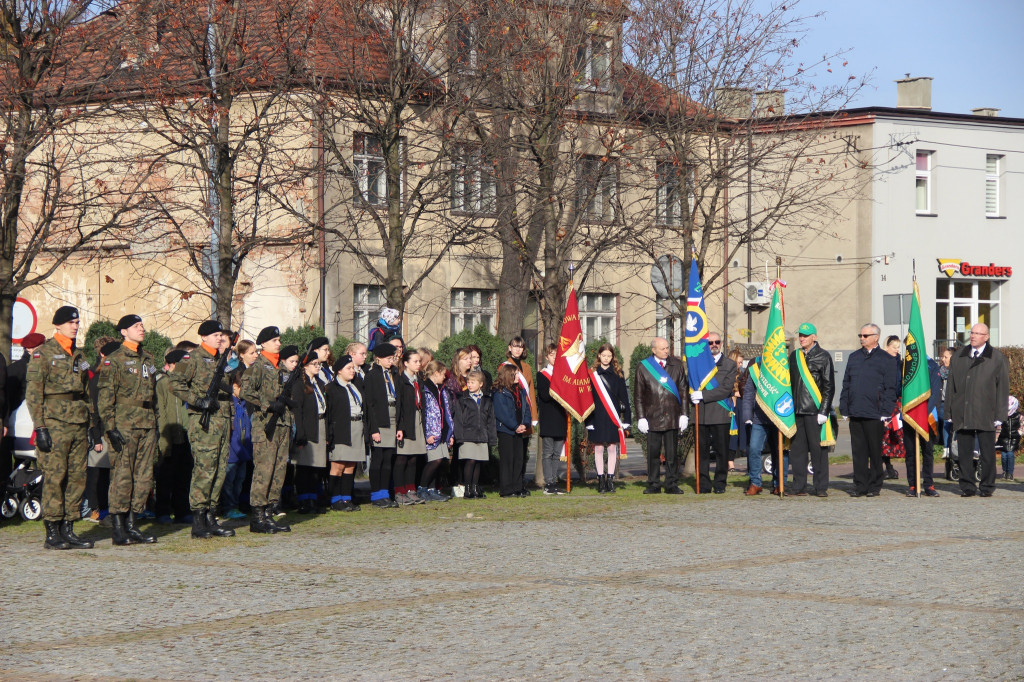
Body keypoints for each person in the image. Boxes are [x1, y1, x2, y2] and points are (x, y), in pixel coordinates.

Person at [25, 305, 95, 549]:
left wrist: (91, 425)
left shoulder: (80, 355)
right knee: (55, 476)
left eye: (77, 322)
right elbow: (34, 394)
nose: (75, 326)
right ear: (57, 325)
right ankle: (52, 531)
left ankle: (69, 527)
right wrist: (40, 427)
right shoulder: (42, 354)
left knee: (77, 477)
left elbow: (87, 393)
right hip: (54, 424)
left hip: (78, 423)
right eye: (70, 322)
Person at [167, 320, 236, 539]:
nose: (219, 338)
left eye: (221, 335)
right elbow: (175, 383)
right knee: (204, 470)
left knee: (219, 469)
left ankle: (211, 516)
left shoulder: (220, 360)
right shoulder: (192, 358)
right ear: (204, 337)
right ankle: (198, 519)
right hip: (204, 423)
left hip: (222, 421)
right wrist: (197, 401)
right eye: (215, 335)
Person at [97, 314, 160, 545]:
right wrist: (110, 427)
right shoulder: (113, 360)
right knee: (122, 476)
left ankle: (133, 524)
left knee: (143, 477)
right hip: (124, 425)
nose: (141, 329)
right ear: (124, 332)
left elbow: (153, 397)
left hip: (147, 424)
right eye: (136, 326)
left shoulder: (148, 359)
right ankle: (118, 528)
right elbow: (105, 398)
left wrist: (157, 423)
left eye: (142, 325)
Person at [945, 323, 1009, 498]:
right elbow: (951, 386)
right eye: (972, 332)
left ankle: (987, 486)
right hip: (962, 411)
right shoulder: (959, 356)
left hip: (986, 412)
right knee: (964, 453)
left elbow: (1003, 388)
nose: (973, 336)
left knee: (987, 453)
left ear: (986, 337)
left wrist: (1000, 415)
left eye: (978, 333)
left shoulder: (997, 358)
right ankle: (967, 486)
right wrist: (949, 412)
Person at [239, 326, 293, 533]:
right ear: (264, 344)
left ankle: (270, 512)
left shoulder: (281, 367)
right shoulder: (258, 366)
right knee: (264, 470)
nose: (278, 343)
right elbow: (245, 391)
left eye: (279, 340)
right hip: (265, 425)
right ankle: (258, 516)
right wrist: (268, 404)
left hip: (282, 423)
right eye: (274, 340)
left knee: (279, 471)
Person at [839, 323, 900, 498]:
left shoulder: (886, 359)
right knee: (858, 452)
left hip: (876, 412)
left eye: (865, 336)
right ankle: (860, 485)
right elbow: (847, 384)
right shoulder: (854, 357)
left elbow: (890, 388)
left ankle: (874, 485)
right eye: (860, 335)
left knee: (874, 451)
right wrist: (844, 406)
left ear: (876, 337)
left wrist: (886, 411)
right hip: (856, 410)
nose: (861, 338)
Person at [634, 337, 689, 495]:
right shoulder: (643, 367)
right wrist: (641, 417)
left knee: (672, 454)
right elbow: (638, 395)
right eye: (663, 348)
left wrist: (684, 414)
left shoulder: (677, 365)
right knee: (653, 454)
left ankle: (671, 483)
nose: (666, 351)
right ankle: (654, 484)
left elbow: (684, 392)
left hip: (672, 415)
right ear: (654, 350)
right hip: (652, 417)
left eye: (667, 348)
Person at [787, 323, 834, 497]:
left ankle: (820, 487)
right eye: (800, 335)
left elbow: (829, 386)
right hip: (797, 410)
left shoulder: (824, 356)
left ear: (814, 336)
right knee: (798, 452)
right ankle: (799, 486)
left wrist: (824, 410)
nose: (802, 338)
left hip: (815, 412)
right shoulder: (794, 356)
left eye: (805, 335)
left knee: (818, 451)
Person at [690, 332, 737, 494]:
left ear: (721, 343)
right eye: (710, 343)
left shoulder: (730, 364)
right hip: (701, 414)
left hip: (720, 413)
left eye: (717, 342)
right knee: (701, 452)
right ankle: (704, 484)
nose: (714, 345)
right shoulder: (698, 364)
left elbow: (725, 390)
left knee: (721, 452)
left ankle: (719, 483)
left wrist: (703, 395)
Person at [586, 343, 631, 494]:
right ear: (599, 356)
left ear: (613, 357)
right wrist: (588, 421)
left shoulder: (618, 373)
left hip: (613, 416)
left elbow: (624, 398)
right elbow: (587, 400)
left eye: (609, 356)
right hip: (596, 416)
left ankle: (610, 479)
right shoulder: (591, 374)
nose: (606, 358)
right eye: (603, 355)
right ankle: (600, 480)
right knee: (598, 448)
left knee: (612, 447)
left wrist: (627, 420)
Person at [154, 349, 193, 524]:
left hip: (186, 437)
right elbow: (161, 413)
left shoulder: (188, 383)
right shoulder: (163, 383)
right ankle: (162, 511)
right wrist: (164, 441)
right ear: (171, 365)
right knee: (165, 477)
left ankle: (182, 510)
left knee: (183, 477)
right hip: (169, 436)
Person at [82, 338, 117, 523]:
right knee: (99, 474)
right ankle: (99, 510)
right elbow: (93, 411)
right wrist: (96, 437)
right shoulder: (96, 379)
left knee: (112, 474)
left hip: (115, 431)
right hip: (102, 432)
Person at [324, 354, 365, 511]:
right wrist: (330, 434)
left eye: (353, 368)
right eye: (348, 368)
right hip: (341, 428)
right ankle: (335, 499)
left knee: (350, 465)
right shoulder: (332, 388)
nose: (352, 371)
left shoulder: (355, 385)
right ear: (339, 371)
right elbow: (330, 413)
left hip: (356, 426)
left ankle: (347, 498)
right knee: (338, 465)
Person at [364, 344, 402, 508]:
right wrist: (374, 429)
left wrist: (399, 426)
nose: (391, 361)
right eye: (388, 358)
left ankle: (385, 493)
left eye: (393, 358)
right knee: (378, 459)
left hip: (392, 418)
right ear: (378, 358)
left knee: (388, 459)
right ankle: (376, 495)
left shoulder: (394, 374)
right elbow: (369, 405)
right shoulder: (372, 375)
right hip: (379, 420)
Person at [291, 348, 328, 513]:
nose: (318, 366)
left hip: (320, 425)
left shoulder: (319, 383)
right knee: (305, 467)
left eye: (319, 364)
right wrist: (300, 434)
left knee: (316, 468)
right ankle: (303, 500)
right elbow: (298, 411)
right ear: (305, 366)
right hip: (307, 428)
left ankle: (312, 499)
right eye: (314, 364)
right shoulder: (300, 384)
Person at [501, 337, 538, 492]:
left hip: (525, 413)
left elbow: (530, 392)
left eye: (521, 347)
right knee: (513, 454)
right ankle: (513, 484)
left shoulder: (527, 367)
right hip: (513, 414)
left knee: (523, 452)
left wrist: (533, 416)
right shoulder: (504, 366)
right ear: (509, 348)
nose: (518, 349)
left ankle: (520, 482)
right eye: (515, 346)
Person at [452, 370, 496, 499]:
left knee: (478, 461)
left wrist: (491, 437)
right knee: (470, 461)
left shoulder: (487, 399)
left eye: (473, 382)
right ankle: (467, 488)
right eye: (468, 382)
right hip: (467, 435)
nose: (469, 385)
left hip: (481, 435)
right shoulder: (463, 399)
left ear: (481, 384)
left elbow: (491, 420)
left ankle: (476, 487)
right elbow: (458, 419)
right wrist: (459, 436)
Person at [740, 355, 780, 495]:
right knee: (754, 449)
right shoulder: (756, 368)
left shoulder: (781, 367)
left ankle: (780, 483)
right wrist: (747, 416)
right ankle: (755, 483)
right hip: (758, 418)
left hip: (778, 417)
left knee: (780, 451)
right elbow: (749, 393)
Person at [392, 350, 428, 505]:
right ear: (406, 363)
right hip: (406, 421)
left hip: (418, 420)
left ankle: (410, 489)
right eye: (415, 361)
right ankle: (399, 491)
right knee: (402, 458)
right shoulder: (401, 380)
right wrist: (400, 426)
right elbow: (399, 405)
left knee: (414, 457)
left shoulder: (418, 380)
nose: (418, 364)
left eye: (419, 361)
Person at [493, 364, 531, 498]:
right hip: (506, 430)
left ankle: (517, 486)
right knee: (507, 460)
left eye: (518, 374)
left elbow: (526, 409)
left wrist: (525, 424)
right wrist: (515, 426)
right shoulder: (499, 392)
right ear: (508, 375)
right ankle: (506, 489)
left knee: (518, 459)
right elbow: (502, 413)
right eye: (515, 374)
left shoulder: (520, 390)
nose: (518, 376)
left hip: (519, 429)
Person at [419, 359, 454, 502]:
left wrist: (450, 432)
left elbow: (445, 411)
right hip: (432, 431)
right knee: (434, 460)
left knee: (440, 461)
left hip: (442, 430)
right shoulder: (425, 388)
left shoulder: (442, 389)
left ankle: (433, 489)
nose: (445, 377)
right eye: (443, 374)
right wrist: (427, 434)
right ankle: (422, 488)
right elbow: (426, 414)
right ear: (435, 373)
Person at [536, 344, 567, 495]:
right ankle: (548, 483)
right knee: (547, 452)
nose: (555, 357)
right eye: (552, 355)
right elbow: (545, 395)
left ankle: (554, 481)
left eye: (557, 355)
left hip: (561, 417)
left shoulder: (564, 374)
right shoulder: (542, 374)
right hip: (548, 418)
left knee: (557, 453)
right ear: (547, 357)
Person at [222, 371, 252, 520]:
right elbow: (231, 431)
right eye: (243, 387)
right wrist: (237, 450)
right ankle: (228, 508)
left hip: (244, 452)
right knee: (229, 482)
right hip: (233, 454)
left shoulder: (243, 405)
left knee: (239, 482)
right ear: (235, 386)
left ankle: (236, 505)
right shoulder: (230, 405)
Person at [880, 335, 904, 480]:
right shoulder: (881, 361)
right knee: (883, 437)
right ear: (887, 346)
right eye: (894, 346)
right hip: (883, 403)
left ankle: (889, 468)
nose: (897, 350)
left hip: (896, 403)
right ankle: (886, 468)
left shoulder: (899, 362)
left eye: (898, 347)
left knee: (893, 437)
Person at [727, 349, 746, 472]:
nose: (740, 365)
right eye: (739, 362)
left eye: (741, 363)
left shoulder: (742, 374)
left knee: (742, 434)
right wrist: (734, 392)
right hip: (729, 406)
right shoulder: (726, 373)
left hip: (740, 405)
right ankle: (730, 463)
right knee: (731, 436)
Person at [996, 397, 1020, 481]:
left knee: (1010, 454)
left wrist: (1019, 433)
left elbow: (1022, 426)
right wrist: (996, 436)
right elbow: (998, 427)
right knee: (1003, 456)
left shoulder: (1018, 416)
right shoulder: (1002, 417)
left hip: (1013, 438)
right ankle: (1004, 472)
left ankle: (1010, 473)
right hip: (1004, 437)